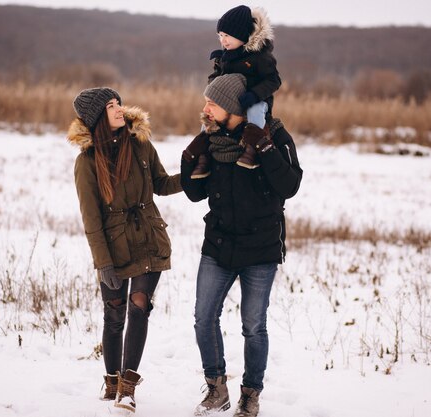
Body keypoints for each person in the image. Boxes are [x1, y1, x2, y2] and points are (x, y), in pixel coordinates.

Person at [181, 74, 303, 417]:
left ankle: (251, 395)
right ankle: (216, 389)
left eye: (212, 103)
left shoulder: (273, 135)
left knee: (253, 325)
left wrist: (263, 146)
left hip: (260, 248)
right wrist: (190, 156)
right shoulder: (213, 139)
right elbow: (194, 194)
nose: (205, 108)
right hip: (219, 244)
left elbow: (290, 185)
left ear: (233, 108)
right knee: (204, 318)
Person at [68, 87, 182, 414]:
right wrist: (103, 263)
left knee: (139, 306)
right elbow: (91, 220)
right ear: (97, 117)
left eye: (118, 103)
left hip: (148, 238)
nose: (119, 109)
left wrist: (194, 174)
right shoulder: (87, 162)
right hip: (114, 249)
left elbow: (161, 184)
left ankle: (128, 389)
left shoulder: (141, 144)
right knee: (114, 313)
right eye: (111, 106)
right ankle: (111, 381)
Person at [191, 4, 281, 179]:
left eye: (227, 36)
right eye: (220, 36)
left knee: (255, 112)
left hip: (256, 99)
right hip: (229, 102)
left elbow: (274, 80)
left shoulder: (260, 57)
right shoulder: (225, 56)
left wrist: (255, 94)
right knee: (207, 116)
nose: (223, 40)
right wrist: (215, 87)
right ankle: (203, 155)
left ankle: (252, 149)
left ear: (242, 35)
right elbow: (215, 77)